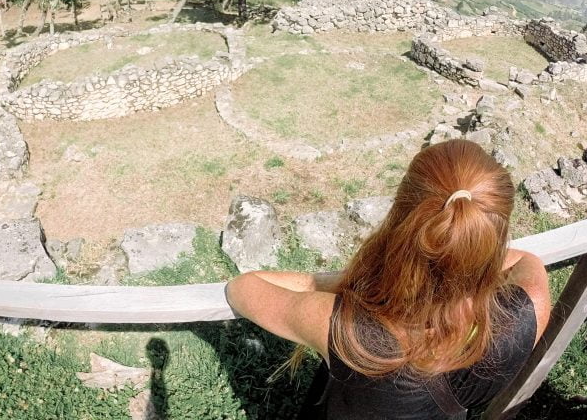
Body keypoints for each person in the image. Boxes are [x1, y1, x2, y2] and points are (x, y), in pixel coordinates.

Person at [225, 139, 551, 419]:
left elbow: (242, 287)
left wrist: (353, 281)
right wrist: (465, 264)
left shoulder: (345, 328)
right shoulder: (529, 306)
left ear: (400, 214)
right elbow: (523, 259)